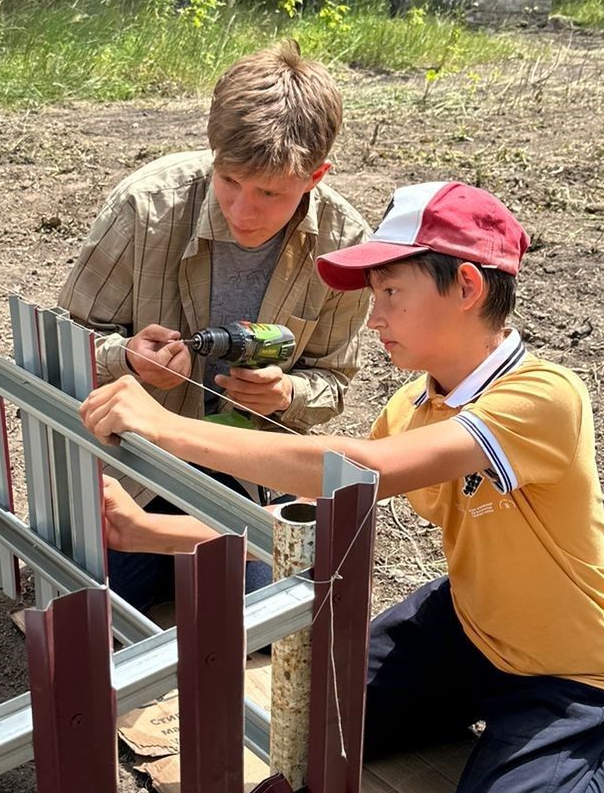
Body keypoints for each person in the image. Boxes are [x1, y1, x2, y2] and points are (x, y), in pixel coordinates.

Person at [79, 179, 604, 793]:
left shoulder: (544, 398)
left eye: (391, 294)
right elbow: (315, 521)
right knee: (305, 744)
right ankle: (467, 716)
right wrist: (153, 533)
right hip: (466, 625)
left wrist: (169, 428)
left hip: (567, 668)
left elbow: (356, 470)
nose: (373, 321)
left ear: (466, 285)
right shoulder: (413, 405)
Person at [58, 40, 370, 610]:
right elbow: (61, 338)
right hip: (138, 468)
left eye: (270, 193)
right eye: (229, 181)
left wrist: (286, 393)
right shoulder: (146, 208)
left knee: (257, 619)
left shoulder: (344, 246)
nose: (243, 211)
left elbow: (334, 380)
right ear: (212, 152)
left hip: (251, 473)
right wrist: (125, 358)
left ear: (315, 175)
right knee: (88, 606)